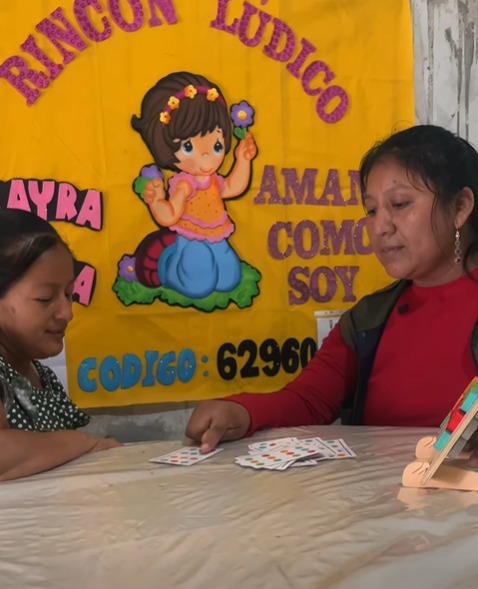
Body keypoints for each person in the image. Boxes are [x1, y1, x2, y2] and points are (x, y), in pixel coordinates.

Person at [186, 124, 478, 461]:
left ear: (460, 207)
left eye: (399, 204)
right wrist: (241, 412)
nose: (380, 227)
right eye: (371, 210)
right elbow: (309, 400)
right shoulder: (368, 320)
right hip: (384, 493)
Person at [0, 209, 121, 482]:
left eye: (69, 294)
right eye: (45, 299)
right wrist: (82, 442)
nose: (67, 313)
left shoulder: (40, 374)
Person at [131, 71, 257, 299]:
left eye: (217, 145)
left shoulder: (213, 180)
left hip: (217, 236)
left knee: (230, 279)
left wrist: (243, 160)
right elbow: (170, 215)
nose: (207, 156)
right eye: (188, 147)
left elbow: (232, 187)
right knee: (198, 287)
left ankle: (187, 266)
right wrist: (156, 201)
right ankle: (167, 267)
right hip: (191, 240)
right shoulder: (185, 184)